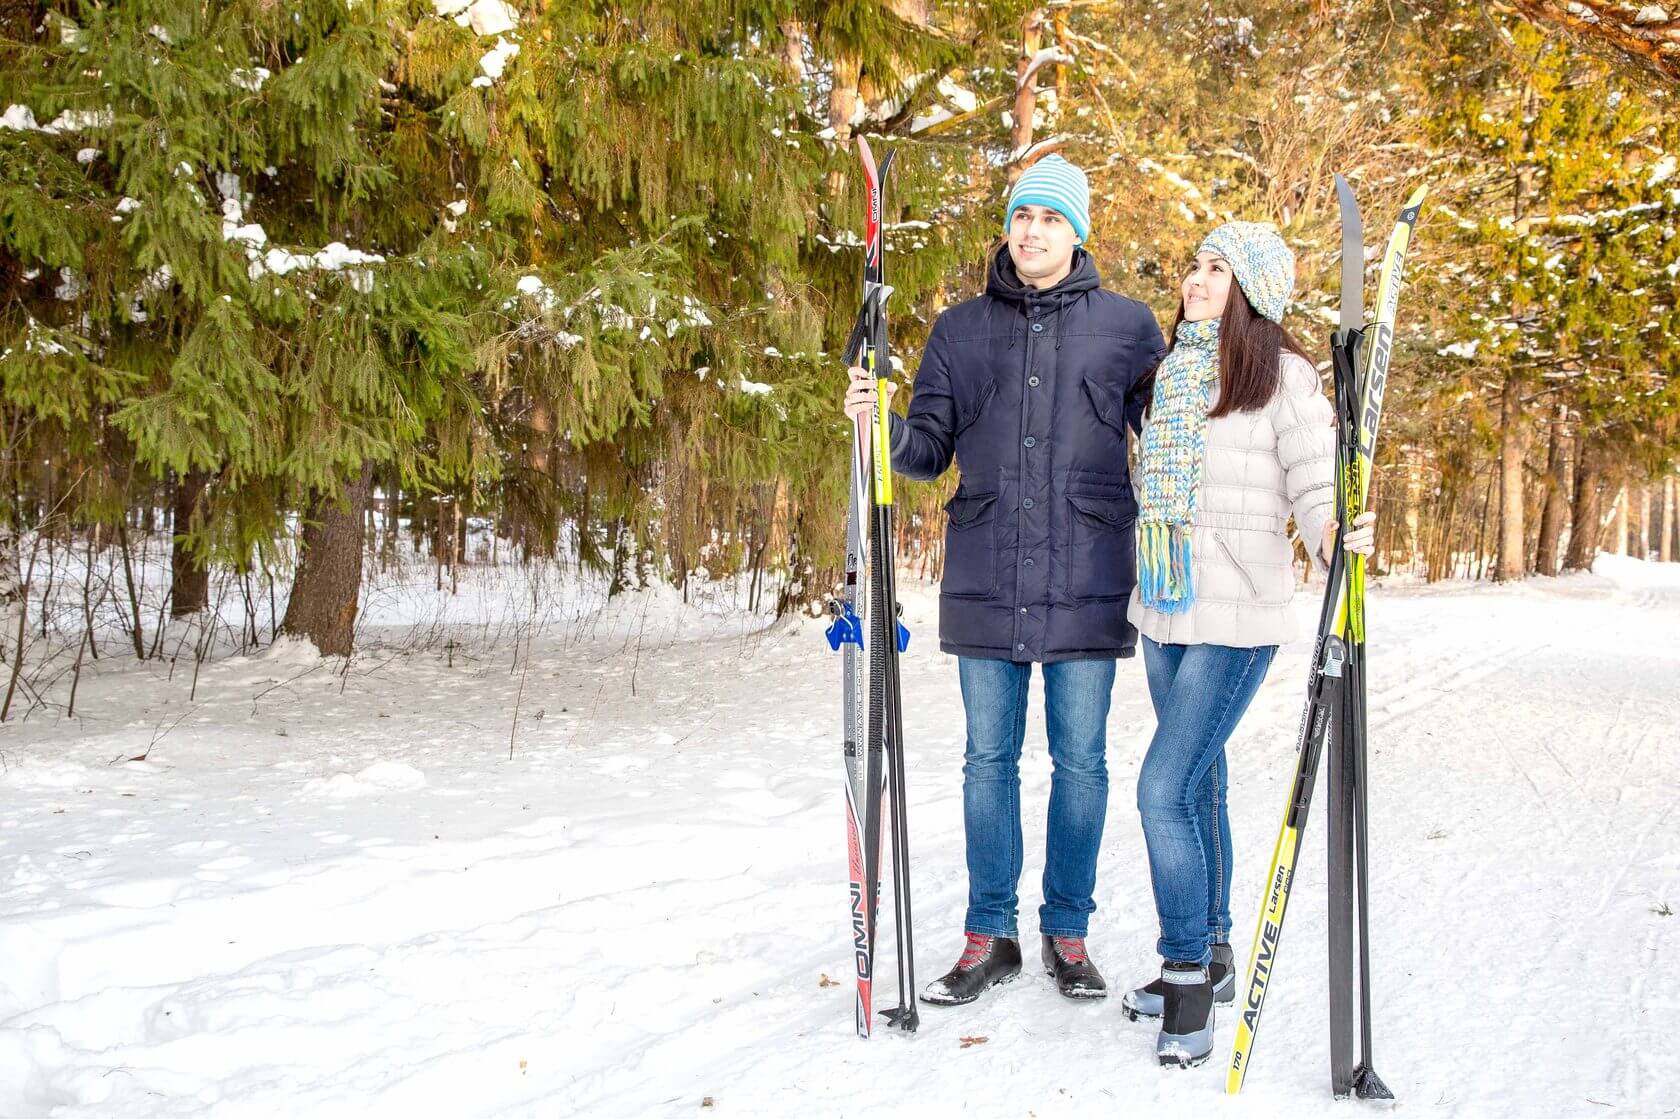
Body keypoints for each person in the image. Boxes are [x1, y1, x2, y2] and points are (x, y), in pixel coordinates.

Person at [842, 156, 1165, 1006]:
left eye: (1050, 219)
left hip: (1089, 575)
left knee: (1081, 761)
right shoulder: (959, 329)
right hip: (987, 571)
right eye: (1021, 216)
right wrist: (884, 424)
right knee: (987, 759)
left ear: (1078, 233)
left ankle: (1067, 931)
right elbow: (926, 453)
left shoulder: (1130, 329)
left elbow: (1171, 444)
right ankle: (991, 934)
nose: (1031, 232)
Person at [1114, 221, 1376, 1067]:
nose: (1195, 278)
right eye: (1194, 263)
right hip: (1165, 608)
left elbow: (1310, 483)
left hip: (1236, 617)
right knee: (1199, 784)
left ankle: (1185, 973)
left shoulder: (1285, 378)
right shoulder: (1170, 375)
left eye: (1217, 268)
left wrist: (1336, 532)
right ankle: (1218, 949)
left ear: (1253, 289)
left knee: (1162, 787)